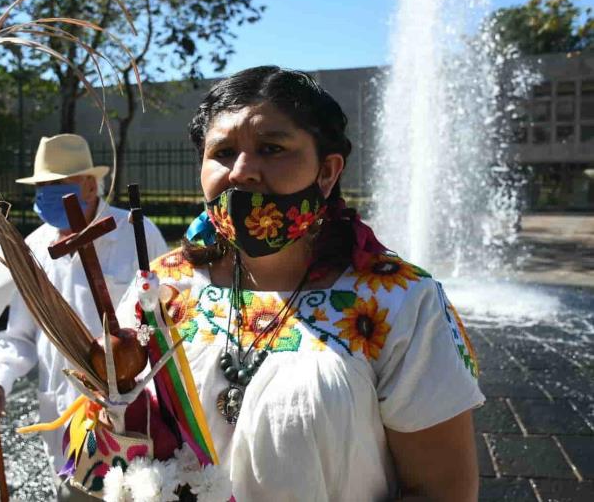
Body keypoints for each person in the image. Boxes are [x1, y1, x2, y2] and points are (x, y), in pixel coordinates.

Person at [117, 67, 484, 501]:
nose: (242, 172)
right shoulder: (161, 286)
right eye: (223, 152)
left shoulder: (399, 300)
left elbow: (443, 491)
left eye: (272, 148)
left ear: (327, 172)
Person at [0, 134, 168, 491]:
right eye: (41, 186)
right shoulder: (34, 248)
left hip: (136, 416)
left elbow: (165, 321)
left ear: (90, 185)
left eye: (56, 184)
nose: (45, 195)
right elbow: (20, 336)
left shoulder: (136, 233)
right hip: (65, 422)